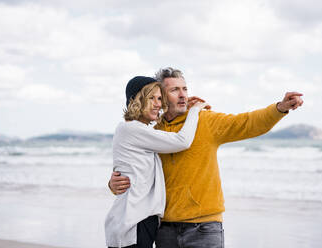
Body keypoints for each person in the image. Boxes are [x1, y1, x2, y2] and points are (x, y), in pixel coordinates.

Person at [109, 68, 304, 248]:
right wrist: (114, 182)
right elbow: (136, 166)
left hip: (204, 228)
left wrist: (279, 108)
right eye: (174, 90)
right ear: (160, 97)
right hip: (164, 230)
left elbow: (247, 123)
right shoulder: (153, 131)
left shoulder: (206, 120)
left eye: (185, 88)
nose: (183, 94)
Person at [105, 76, 209, 248]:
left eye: (160, 98)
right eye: (151, 98)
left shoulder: (141, 132)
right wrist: (195, 111)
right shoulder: (130, 129)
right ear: (136, 100)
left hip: (139, 221)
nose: (157, 104)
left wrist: (111, 183)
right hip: (133, 223)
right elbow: (181, 141)